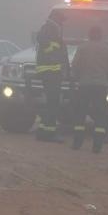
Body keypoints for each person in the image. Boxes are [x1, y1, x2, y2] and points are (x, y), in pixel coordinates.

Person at [70, 25, 108, 153]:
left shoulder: (82, 48)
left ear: (89, 35)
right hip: (101, 86)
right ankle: (97, 145)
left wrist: (75, 78)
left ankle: (77, 143)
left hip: (84, 85)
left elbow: (75, 66)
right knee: (101, 115)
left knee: (80, 114)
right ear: (101, 35)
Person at [34, 11, 70, 142]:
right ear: (55, 18)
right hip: (51, 72)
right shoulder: (50, 28)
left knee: (51, 103)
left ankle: (43, 131)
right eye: (61, 19)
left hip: (50, 71)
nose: (63, 22)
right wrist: (55, 46)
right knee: (53, 103)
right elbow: (45, 44)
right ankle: (50, 133)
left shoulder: (51, 28)